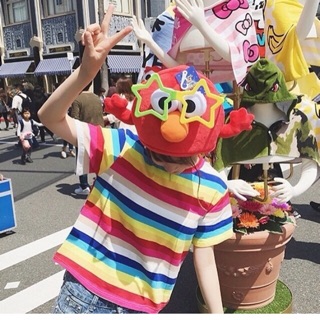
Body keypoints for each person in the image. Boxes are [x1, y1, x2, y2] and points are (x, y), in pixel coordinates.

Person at [38, 5, 234, 314]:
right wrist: (85, 73)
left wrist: (218, 312)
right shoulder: (124, 147)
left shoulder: (211, 188)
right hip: (83, 292)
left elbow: (205, 257)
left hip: (142, 307)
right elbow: (49, 117)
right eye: (159, 152)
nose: (169, 164)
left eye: (182, 158)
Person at [69, 83, 104, 195]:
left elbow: (75, 119)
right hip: (100, 132)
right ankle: (101, 183)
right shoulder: (97, 98)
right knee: (99, 160)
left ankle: (84, 186)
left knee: (82, 160)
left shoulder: (77, 99)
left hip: (84, 133)